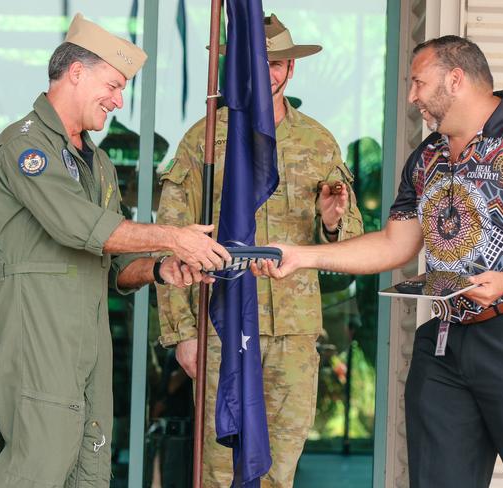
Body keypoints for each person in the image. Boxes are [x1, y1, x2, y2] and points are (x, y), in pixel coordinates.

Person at [254, 35, 503, 488]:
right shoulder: (427, 157)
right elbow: (397, 245)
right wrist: (302, 256)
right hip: (446, 339)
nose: (412, 95)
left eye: (419, 83)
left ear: (455, 79)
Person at [0, 13, 229, 488]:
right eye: (113, 86)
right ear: (76, 72)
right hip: (40, 331)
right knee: (37, 467)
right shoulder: (23, 146)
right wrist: (173, 236)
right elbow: (78, 227)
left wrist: (160, 269)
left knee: (90, 465)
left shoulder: (98, 164)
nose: (118, 101)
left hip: (89, 336)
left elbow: (116, 265)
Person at [155, 13, 363, 487]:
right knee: (219, 469)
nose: (268, 72)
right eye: (257, 61)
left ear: (292, 69)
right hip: (221, 330)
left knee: (278, 471)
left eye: (278, 63)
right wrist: (183, 333)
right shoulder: (204, 139)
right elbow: (170, 238)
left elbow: (350, 244)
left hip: (293, 335)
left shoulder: (318, 140)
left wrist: (332, 223)